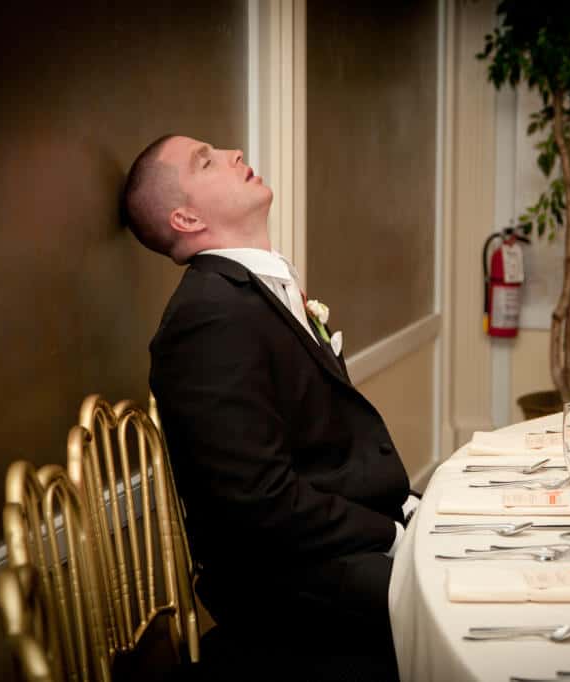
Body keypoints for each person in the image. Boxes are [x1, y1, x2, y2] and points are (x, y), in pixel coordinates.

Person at [122, 134, 417, 680]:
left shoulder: (251, 290)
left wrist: (410, 508)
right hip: (294, 585)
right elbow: (258, 500)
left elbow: (324, 449)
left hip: (336, 541)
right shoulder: (207, 317)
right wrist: (394, 537)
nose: (234, 154)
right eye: (206, 161)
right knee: (466, 603)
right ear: (186, 218)